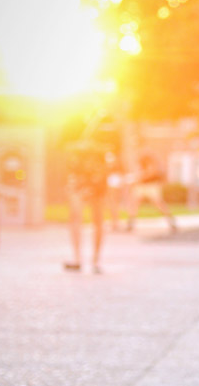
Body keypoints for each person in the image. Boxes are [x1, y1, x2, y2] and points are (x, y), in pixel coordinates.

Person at [63, 116, 114, 274]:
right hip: (78, 177)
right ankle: (77, 258)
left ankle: (96, 260)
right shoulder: (72, 120)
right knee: (75, 216)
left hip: (98, 178)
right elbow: (64, 146)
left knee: (98, 218)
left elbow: (112, 149)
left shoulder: (105, 120)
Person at [125, 154, 177, 233]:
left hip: (151, 185)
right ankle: (131, 223)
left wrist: (141, 177)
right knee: (134, 203)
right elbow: (138, 173)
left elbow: (151, 173)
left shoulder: (150, 162)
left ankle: (171, 222)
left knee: (159, 203)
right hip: (141, 185)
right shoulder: (140, 163)